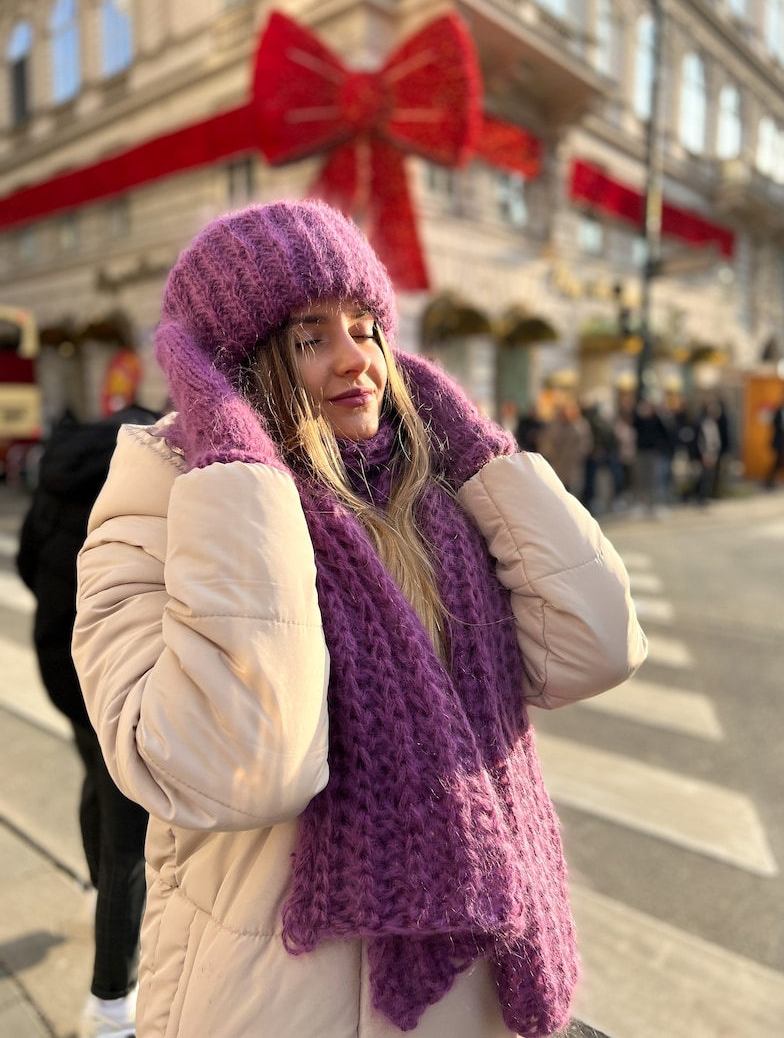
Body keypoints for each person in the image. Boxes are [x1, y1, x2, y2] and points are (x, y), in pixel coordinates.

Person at [71, 200, 647, 1038]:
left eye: (367, 326)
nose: (359, 359)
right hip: (271, 997)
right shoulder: (159, 508)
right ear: (234, 368)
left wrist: (477, 446)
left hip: (470, 988)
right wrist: (237, 465)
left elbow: (596, 644)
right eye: (310, 337)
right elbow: (240, 763)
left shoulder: (432, 494)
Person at [17, 404, 159, 1038]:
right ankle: (110, 1005)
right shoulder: (150, 474)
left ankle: (93, 889)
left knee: (96, 785)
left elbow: (25, 561)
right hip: (116, 678)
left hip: (61, 665)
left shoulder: (62, 468)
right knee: (131, 842)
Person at [765, 385, 784, 488]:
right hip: (779, 439)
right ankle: (769, 481)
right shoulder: (780, 410)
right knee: (776, 461)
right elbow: (776, 424)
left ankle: (771, 480)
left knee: (780, 461)